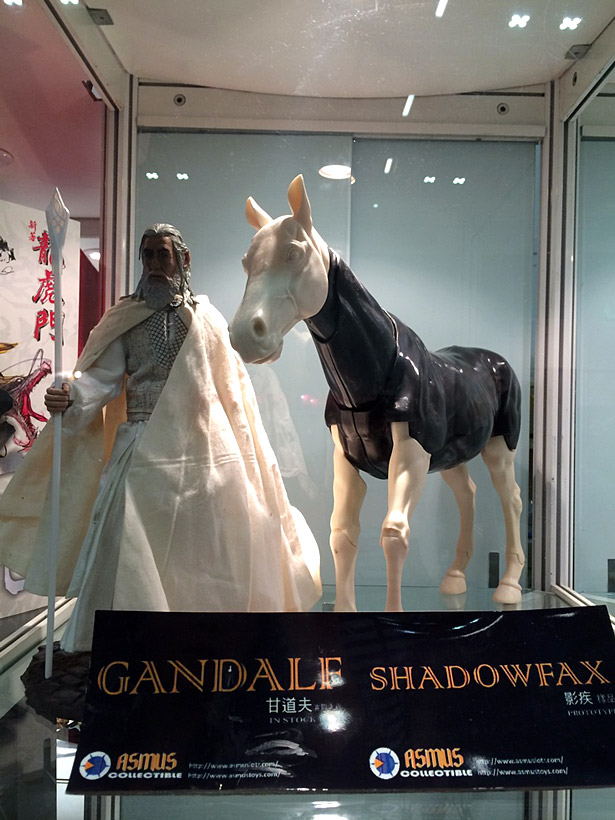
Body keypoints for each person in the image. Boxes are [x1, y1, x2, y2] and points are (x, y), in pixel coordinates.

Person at [0, 224, 321, 651]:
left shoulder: (207, 318)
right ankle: (126, 646)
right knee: (127, 541)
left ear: (183, 260)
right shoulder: (126, 318)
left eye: (162, 255)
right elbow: (102, 379)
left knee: (212, 548)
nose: (153, 264)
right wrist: (72, 396)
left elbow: (231, 389)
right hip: (142, 445)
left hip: (207, 449)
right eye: (147, 255)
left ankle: (212, 638)